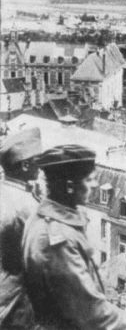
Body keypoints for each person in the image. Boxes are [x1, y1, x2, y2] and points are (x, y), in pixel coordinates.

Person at [22, 144, 126, 330]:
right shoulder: (58, 239)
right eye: (89, 179)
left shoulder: (45, 219)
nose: (95, 185)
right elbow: (90, 311)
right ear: (70, 186)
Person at [0, 128, 41, 329]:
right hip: (17, 301)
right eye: (37, 160)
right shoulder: (26, 205)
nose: (40, 165)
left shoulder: (4, 191)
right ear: (25, 165)